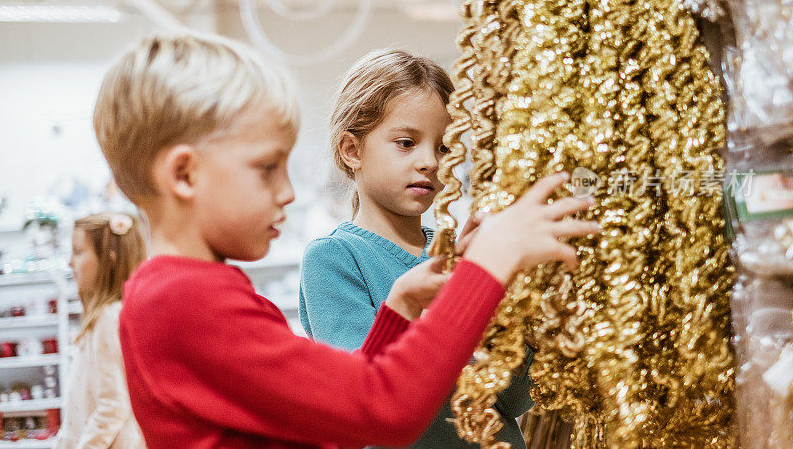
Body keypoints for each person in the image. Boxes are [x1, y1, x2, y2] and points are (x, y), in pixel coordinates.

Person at [93, 32, 599, 448]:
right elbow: (380, 410)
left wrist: (401, 303)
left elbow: (340, 405)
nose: (288, 193)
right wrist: (486, 268)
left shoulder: (179, 292)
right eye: (267, 169)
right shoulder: (185, 300)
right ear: (184, 175)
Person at [299, 49, 533, 448]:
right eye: (406, 143)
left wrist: (511, 305)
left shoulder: (458, 255)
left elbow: (510, 401)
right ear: (351, 150)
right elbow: (367, 396)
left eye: (444, 148)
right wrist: (463, 298)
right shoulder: (333, 259)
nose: (429, 161)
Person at [57, 212, 146, 449]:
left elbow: (113, 404)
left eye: (77, 252)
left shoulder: (109, 318)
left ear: (110, 259)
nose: (70, 262)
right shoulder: (105, 316)